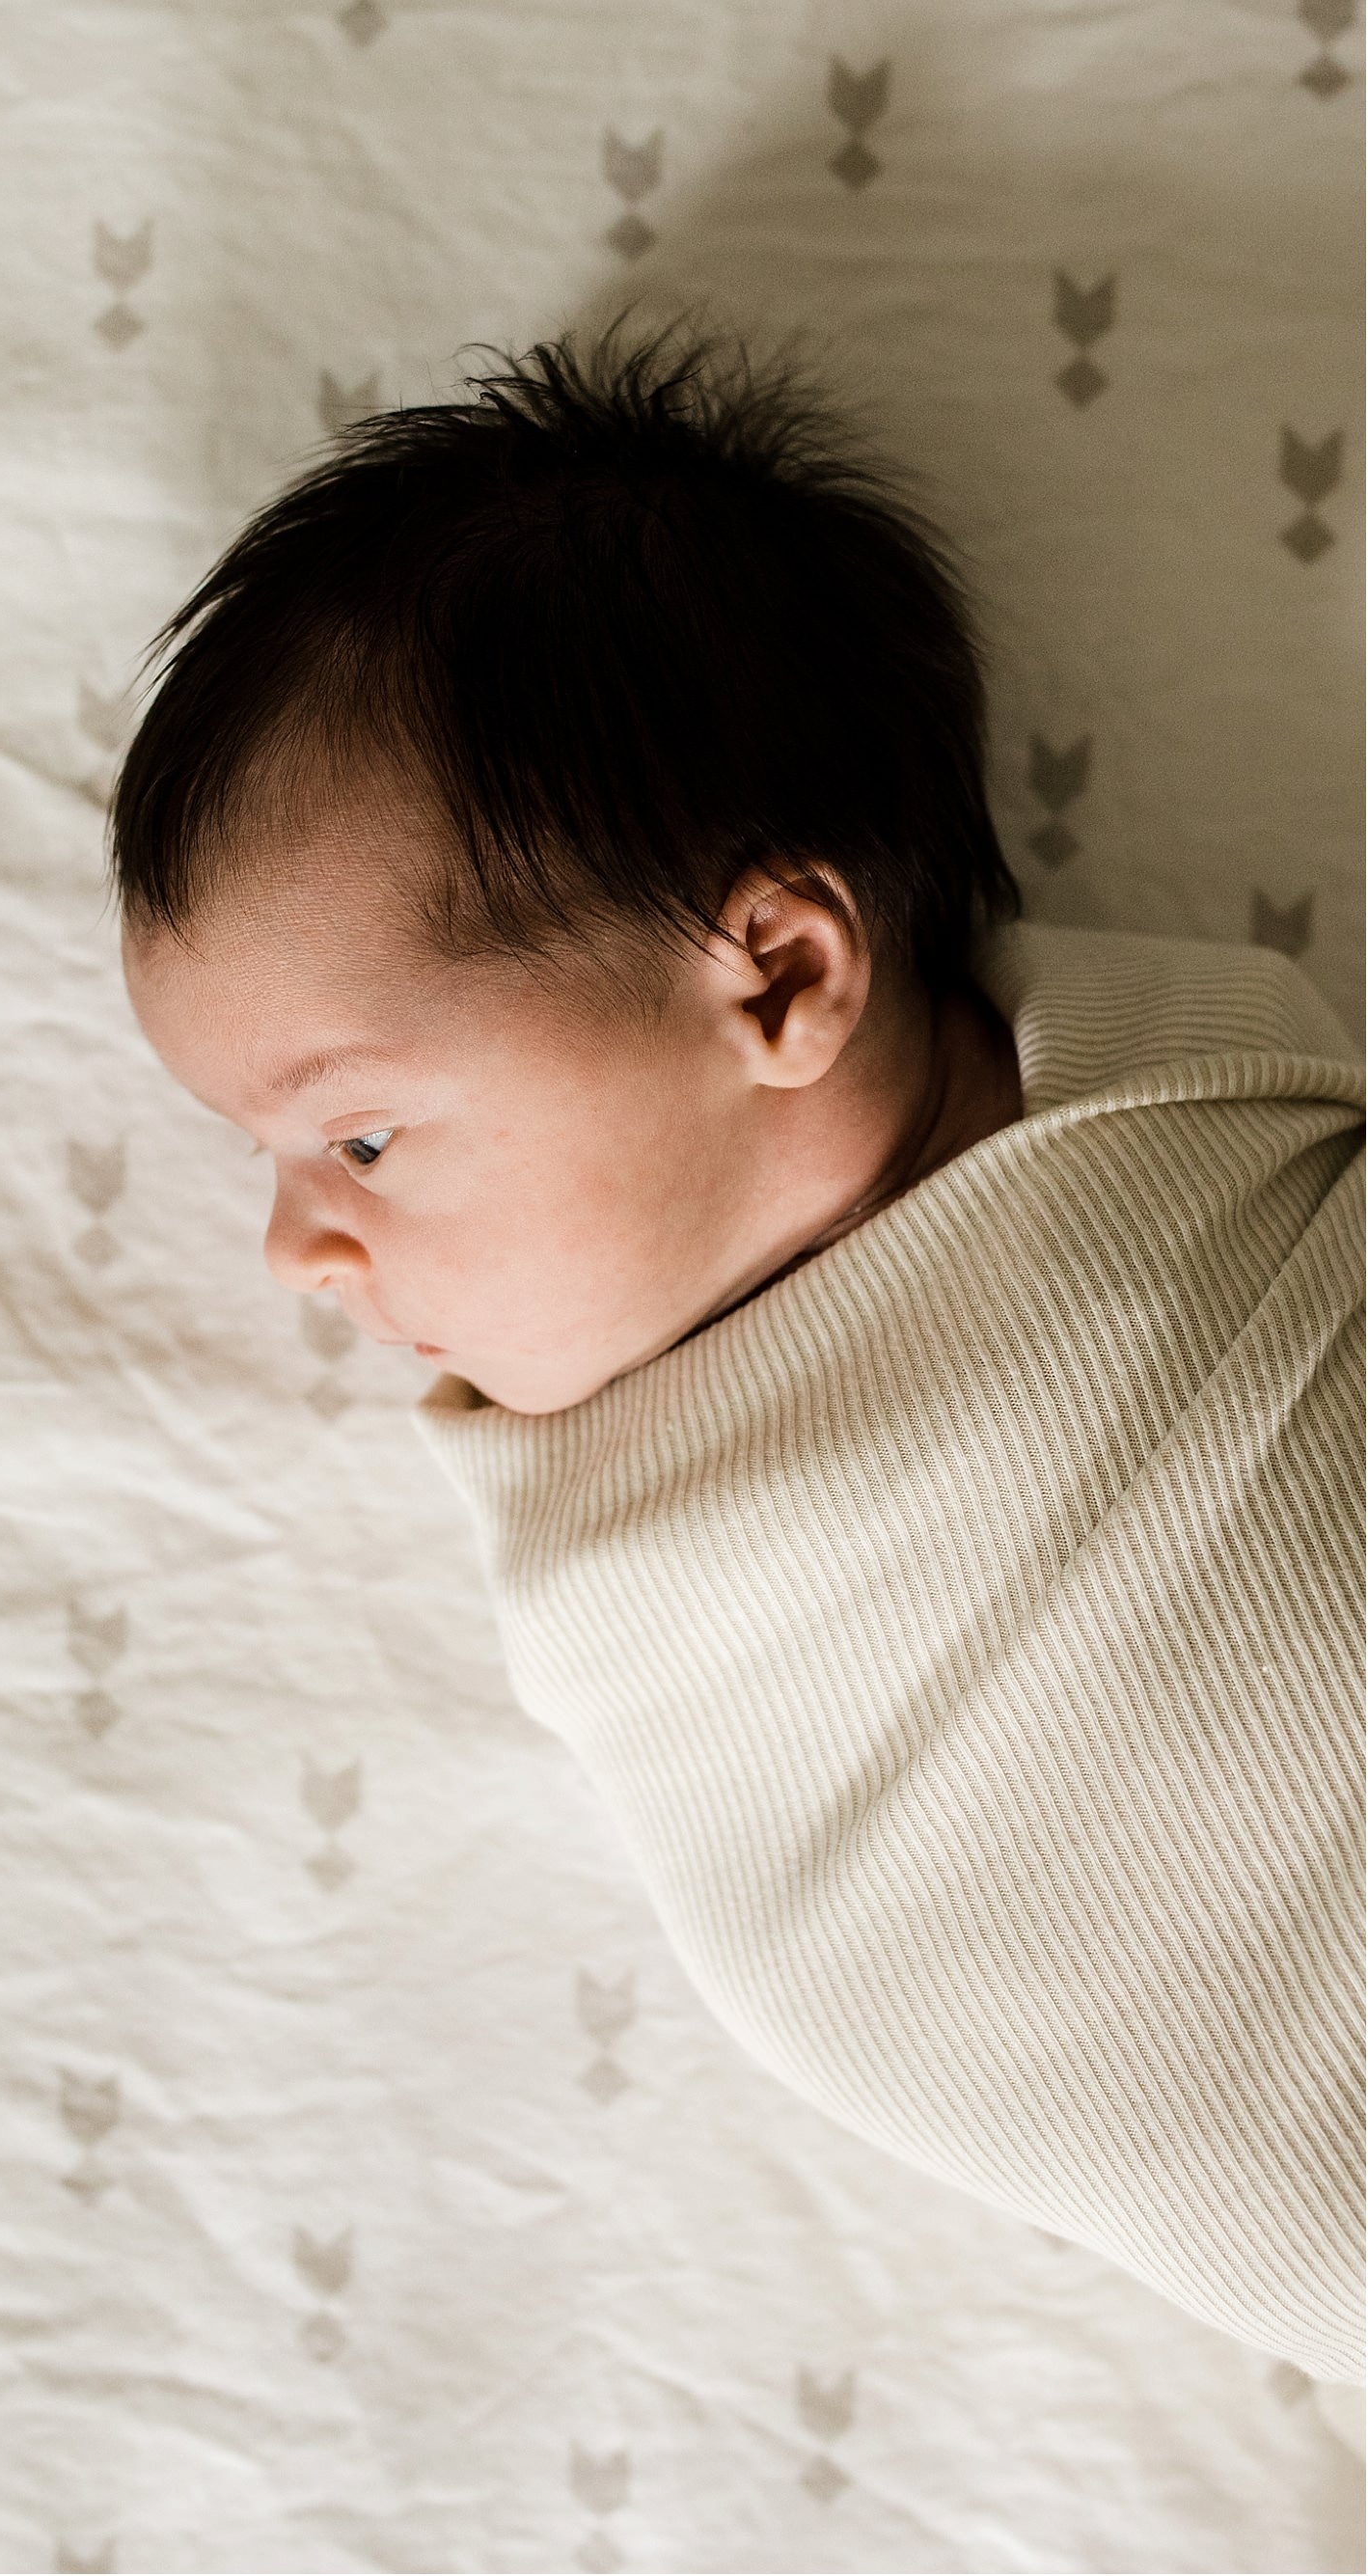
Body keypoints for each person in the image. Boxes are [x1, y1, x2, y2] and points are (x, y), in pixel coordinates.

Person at [111, 315, 1365, 2388]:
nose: (297, 1246)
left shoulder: (1216, 1181)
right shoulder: (663, 1584)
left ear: (776, 975)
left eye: (356, 1130)